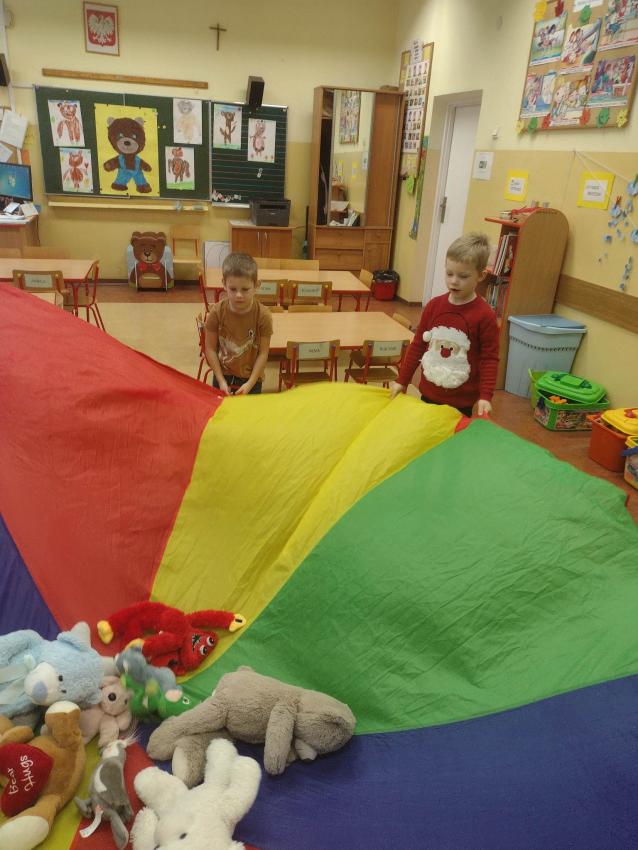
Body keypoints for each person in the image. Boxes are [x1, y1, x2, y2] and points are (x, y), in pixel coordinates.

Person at [389, 232, 499, 417]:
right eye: (449, 273)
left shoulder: (485, 315)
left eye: (463, 276)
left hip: (462, 401)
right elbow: (418, 346)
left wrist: (485, 396)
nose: (454, 281)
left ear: (480, 276)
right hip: (429, 393)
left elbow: (489, 358)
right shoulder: (434, 306)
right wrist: (402, 380)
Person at [204, 252, 272, 395]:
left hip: (252, 379)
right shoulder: (216, 313)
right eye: (233, 289)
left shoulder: (263, 316)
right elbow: (210, 349)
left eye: (245, 289)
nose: (239, 295)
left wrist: (250, 383)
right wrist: (221, 380)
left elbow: (263, 353)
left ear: (257, 285)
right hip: (222, 376)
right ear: (224, 284)